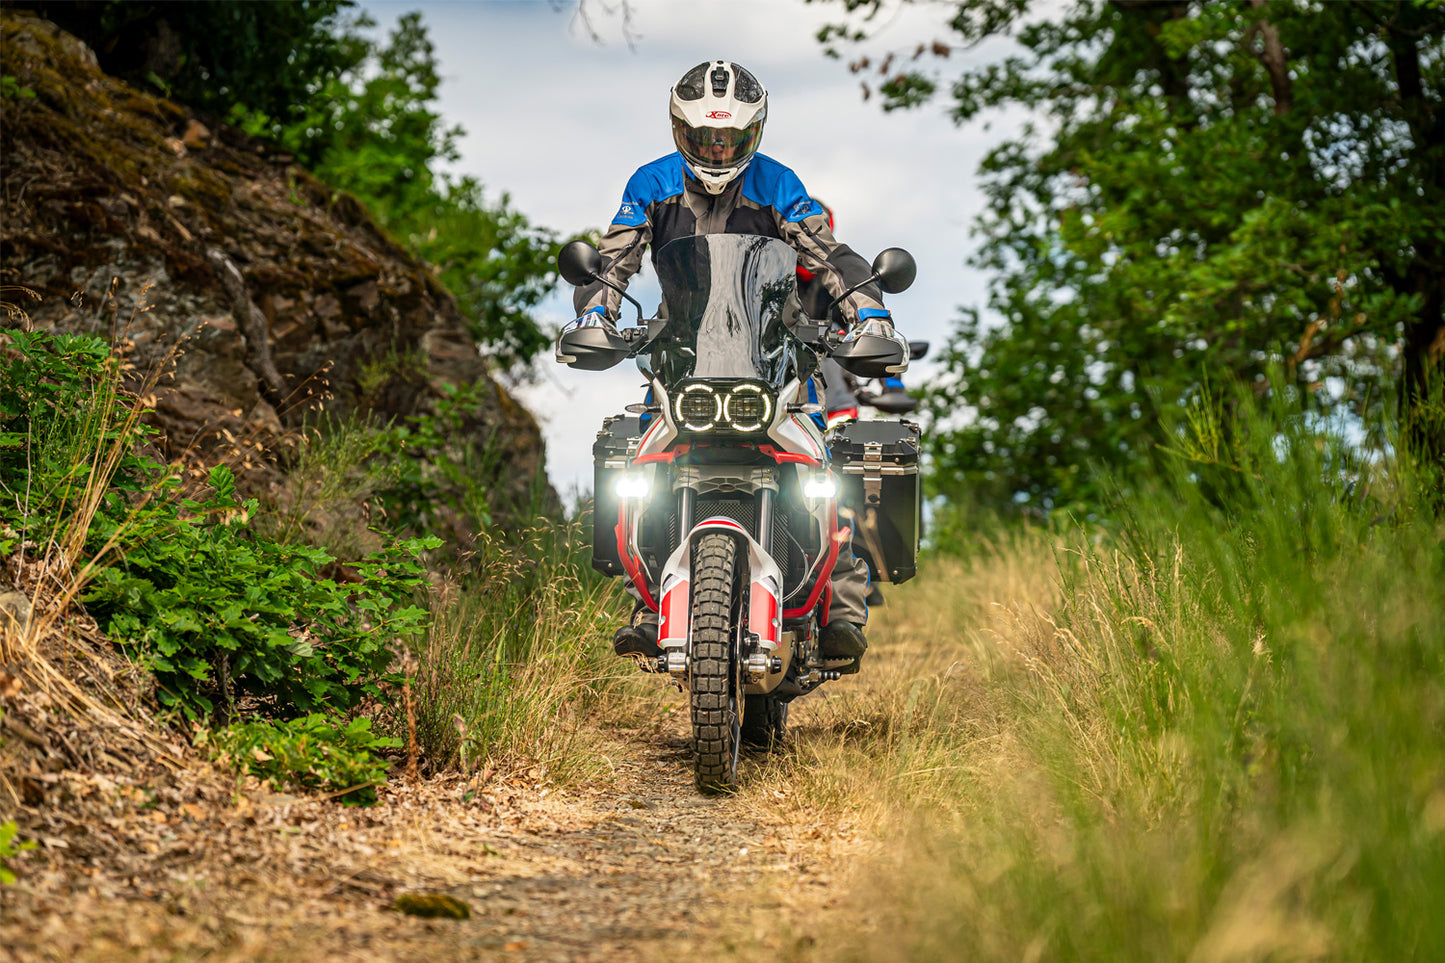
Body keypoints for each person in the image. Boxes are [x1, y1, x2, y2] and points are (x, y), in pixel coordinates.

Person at [571, 60, 904, 669]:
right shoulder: (651, 184)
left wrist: (870, 316)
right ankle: (647, 603)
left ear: (755, 132)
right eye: (704, 137)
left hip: (772, 359)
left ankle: (842, 608)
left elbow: (828, 256)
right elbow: (615, 260)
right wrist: (597, 316)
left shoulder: (778, 184)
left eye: (730, 138)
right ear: (680, 130)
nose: (717, 149)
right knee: (637, 472)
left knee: (826, 474)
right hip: (681, 361)